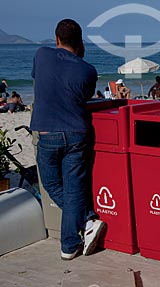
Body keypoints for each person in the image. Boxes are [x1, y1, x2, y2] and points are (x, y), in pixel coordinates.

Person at [30, 19, 105, 260]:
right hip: (76, 133)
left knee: (52, 185)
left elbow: (42, 80)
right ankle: (72, 241)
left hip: (47, 134)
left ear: (56, 39)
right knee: (74, 189)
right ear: (81, 44)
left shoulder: (41, 55)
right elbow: (82, 96)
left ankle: (86, 224)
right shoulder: (88, 70)